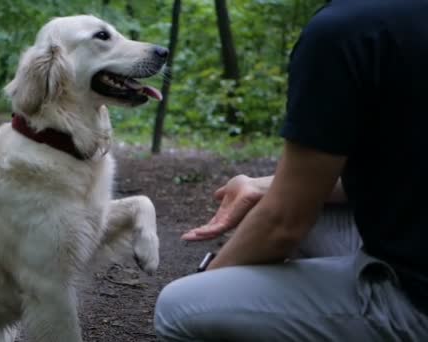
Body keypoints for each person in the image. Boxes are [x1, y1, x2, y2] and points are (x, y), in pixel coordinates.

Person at [154, 0, 428, 340]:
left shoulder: (345, 31)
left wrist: (209, 275)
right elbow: (401, 169)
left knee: (179, 307)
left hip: (414, 302)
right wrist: (266, 186)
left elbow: (283, 225)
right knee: (274, 208)